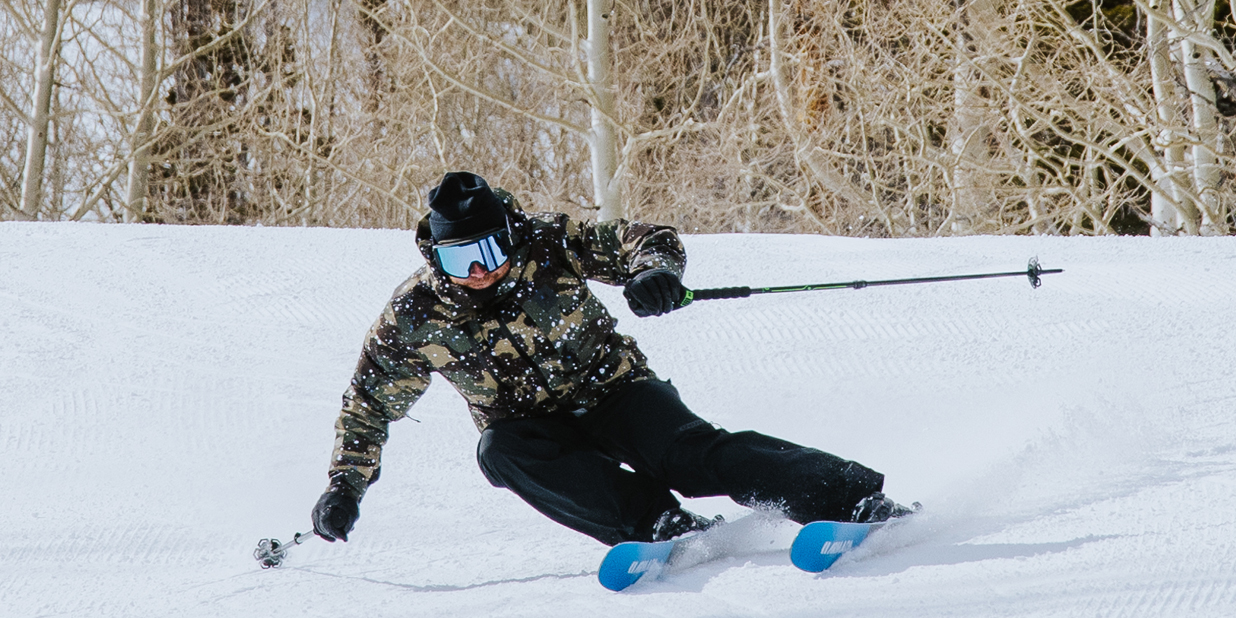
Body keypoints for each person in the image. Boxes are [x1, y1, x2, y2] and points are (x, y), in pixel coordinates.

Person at [310, 171, 913, 546]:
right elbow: (367, 405)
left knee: (691, 457)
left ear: (508, 235)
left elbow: (642, 239)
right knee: (498, 452)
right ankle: (653, 524)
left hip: (612, 390)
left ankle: (845, 495)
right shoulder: (415, 315)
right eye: (459, 260)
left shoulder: (547, 242)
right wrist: (345, 487)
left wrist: (654, 273)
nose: (480, 271)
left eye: (490, 249)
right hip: (529, 429)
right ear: (434, 255)